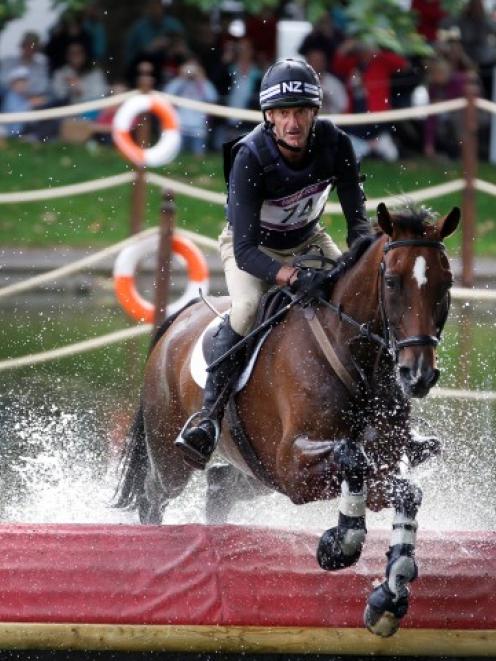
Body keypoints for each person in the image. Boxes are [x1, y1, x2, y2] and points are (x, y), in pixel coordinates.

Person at [175, 58, 370, 469]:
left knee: (362, 303)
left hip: (310, 239)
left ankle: (391, 415)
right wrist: (292, 277)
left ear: (315, 113)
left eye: (301, 111)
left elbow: (359, 226)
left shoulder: (336, 144)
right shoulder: (249, 156)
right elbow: (244, 250)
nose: (292, 122)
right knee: (246, 309)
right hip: (251, 249)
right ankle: (208, 418)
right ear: (268, 116)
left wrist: (363, 267)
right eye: (283, 113)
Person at [164, 58, 218, 156]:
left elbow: (212, 97)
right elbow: (167, 94)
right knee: (175, 156)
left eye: (194, 68)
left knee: (198, 158)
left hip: (198, 128)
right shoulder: (180, 82)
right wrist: (181, 77)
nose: (191, 71)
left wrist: (201, 79)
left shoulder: (203, 83)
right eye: (188, 68)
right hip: (180, 126)